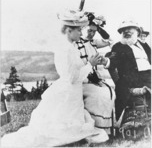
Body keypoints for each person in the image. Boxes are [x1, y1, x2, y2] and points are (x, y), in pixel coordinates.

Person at [1, 9, 109, 147]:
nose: (82, 33)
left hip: (72, 93)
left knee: (75, 123)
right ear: (69, 31)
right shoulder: (66, 49)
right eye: (79, 30)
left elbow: (75, 70)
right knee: (59, 130)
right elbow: (71, 77)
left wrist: (89, 64)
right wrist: (89, 65)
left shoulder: (71, 46)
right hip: (68, 91)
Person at [99, 20, 151, 122]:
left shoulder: (143, 45)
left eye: (129, 29)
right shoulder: (118, 46)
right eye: (123, 30)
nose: (126, 31)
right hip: (131, 80)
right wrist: (106, 61)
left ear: (137, 32)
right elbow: (114, 59)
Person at [76, 14, 115, 135]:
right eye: (89, 30)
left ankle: (107, 129)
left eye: (94, 31)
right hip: (81, 81)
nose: (92, 34)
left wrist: (99, 27)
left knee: (111, 91)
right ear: (82, 29)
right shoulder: (75, 43)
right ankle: (96, 128)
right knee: (100, 94)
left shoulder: (93, 43)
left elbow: (110, 41)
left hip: (93, 79)